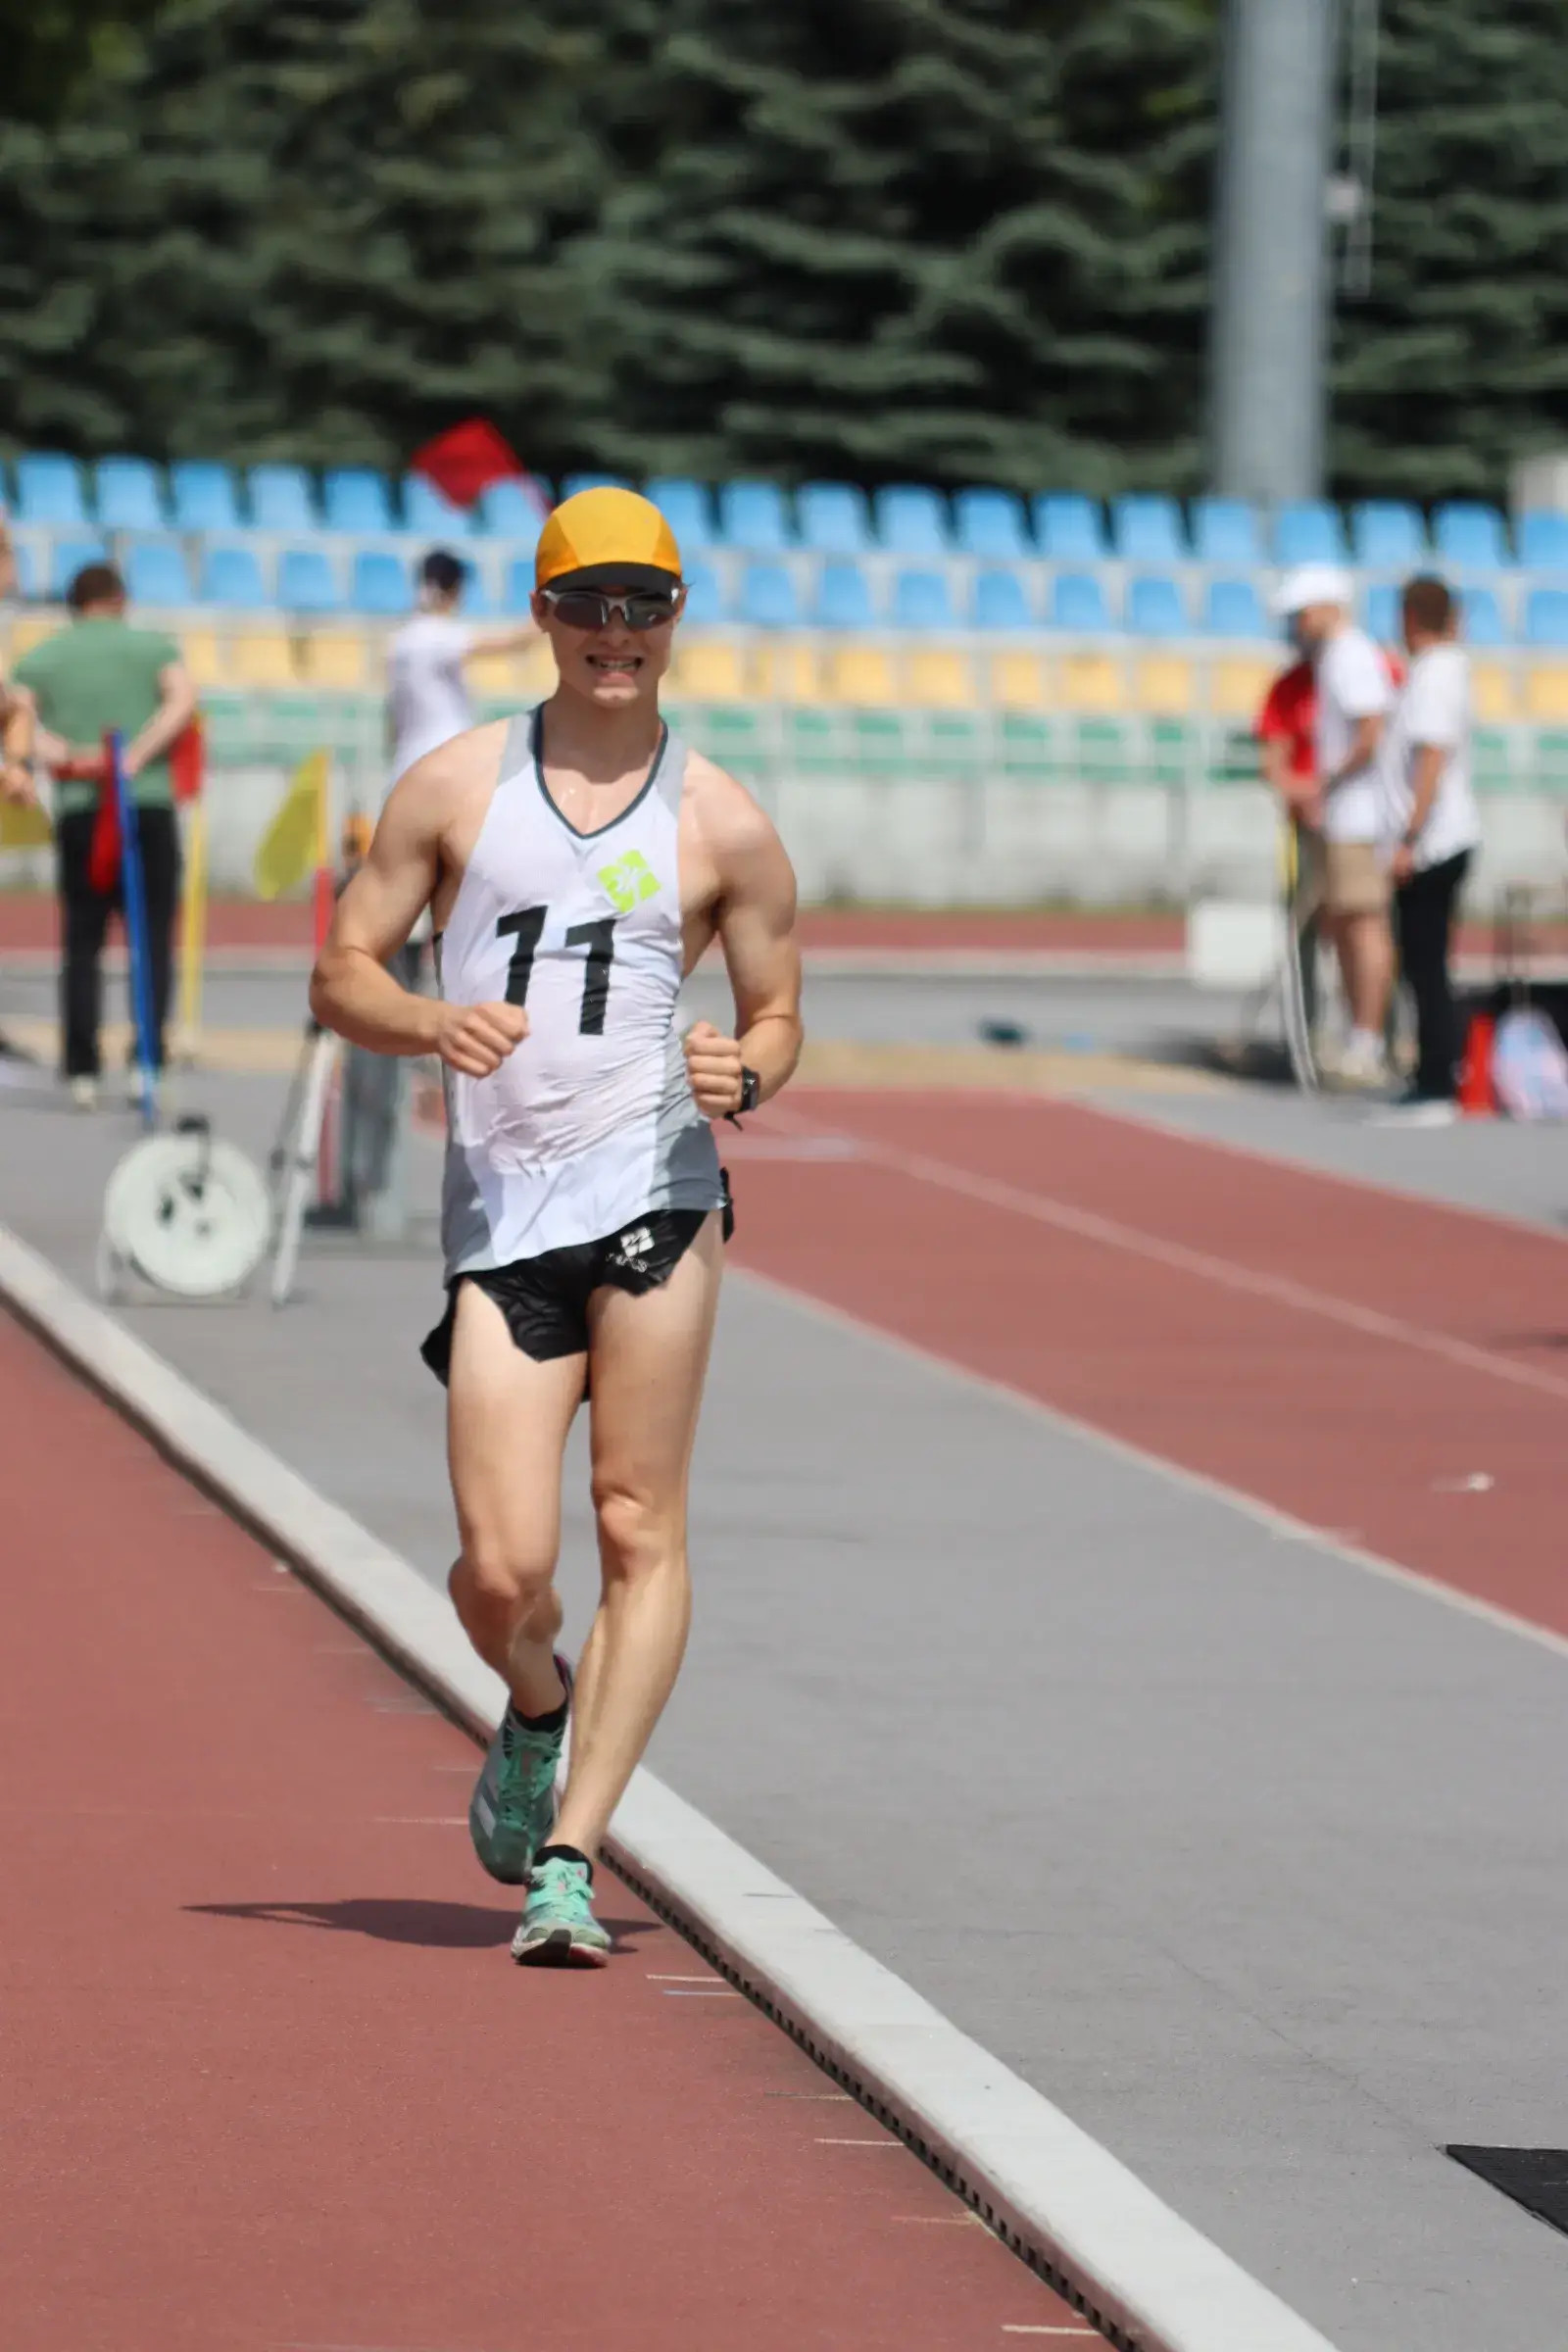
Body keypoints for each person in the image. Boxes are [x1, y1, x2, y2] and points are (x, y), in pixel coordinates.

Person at [310, 487, 804, 1967]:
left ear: (674, 621)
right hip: (505, 1214)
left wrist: (748, 1071)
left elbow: (776, 1015)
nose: (617, 632)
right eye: (589, 603)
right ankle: (536, 1703)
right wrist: (425, 1020)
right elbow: (343, 971)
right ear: (541, 612)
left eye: (644, 604)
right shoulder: (456, 787)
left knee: (636, 1521)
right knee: (502, 1568)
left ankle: (574, 1855)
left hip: (656, 1192)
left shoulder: (726, 821)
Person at [7, 562, 195, 1106]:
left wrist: (64, 755)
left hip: (81, 808)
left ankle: (82, 1068)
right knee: (152, 940)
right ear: (119, 598)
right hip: (147, 804)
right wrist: (137, 754)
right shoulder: (152, 647)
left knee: (83, 943)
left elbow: (13, 716)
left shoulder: (45, 655)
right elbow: (182, 700)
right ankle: (146, 1062)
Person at [1273, 564, 1395, 1087]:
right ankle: (1357, 1035)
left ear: (1327, 607)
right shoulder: (1333, 660)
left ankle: (1369, 1040)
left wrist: (1325, 782)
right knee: (1342, 926)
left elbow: (1372, 735)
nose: (1297, 626)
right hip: (1344, 818)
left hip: (1361, 819)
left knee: (1364, 925)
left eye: (1302, 614)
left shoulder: (1351, 657)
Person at [1377, 575, 1481, 1122]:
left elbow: (1431, 761)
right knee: (1421, 961)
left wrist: (1409, 839)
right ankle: (1431, 1074)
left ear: (1410, 617)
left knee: (1426, 963)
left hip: (1433, 843)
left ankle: (1439, 1081)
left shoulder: (1436, 676)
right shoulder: (1440, 671)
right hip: (1437, 839)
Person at [385, 549, 539, 794]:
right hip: (446, 760)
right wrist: (550, 610)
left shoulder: (399, 641)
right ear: (454, 590)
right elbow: (514, 643)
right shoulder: (439, 633)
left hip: (406, 764)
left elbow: (391, 720)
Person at [1256, 651, 1322, 1036]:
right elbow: (1273, 762)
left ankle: (1377, 1036)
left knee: (1367, 930)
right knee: (1302, 930)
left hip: (1359, 830)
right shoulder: (1288, 687)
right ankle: (1305, 1032)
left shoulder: (1375, 675)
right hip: (1303, 828)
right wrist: (1305, 794)